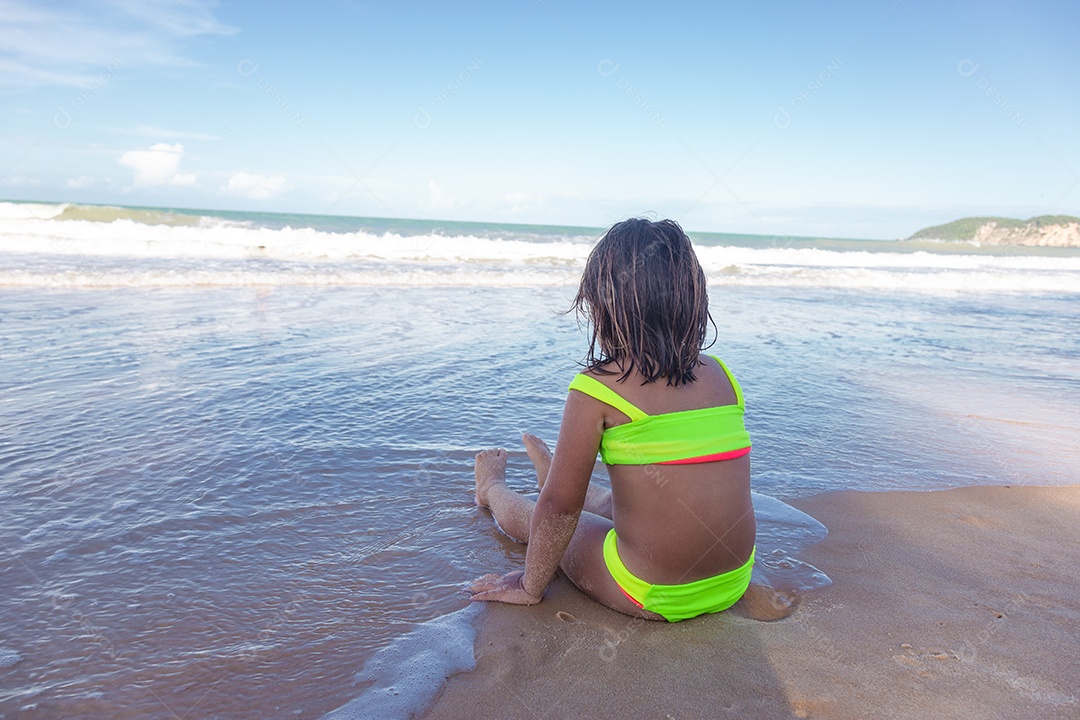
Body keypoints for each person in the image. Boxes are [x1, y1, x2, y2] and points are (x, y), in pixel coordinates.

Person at [468, 218, 793, 622]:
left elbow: (560, 508)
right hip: (732, 581)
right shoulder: (723, 377)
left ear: (604, 306)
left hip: (649, 592)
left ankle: (490, 488)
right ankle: (553, 470)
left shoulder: (596, 389)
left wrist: (530, 585)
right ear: (692, 298)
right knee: (614, 500)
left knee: (544, 517)